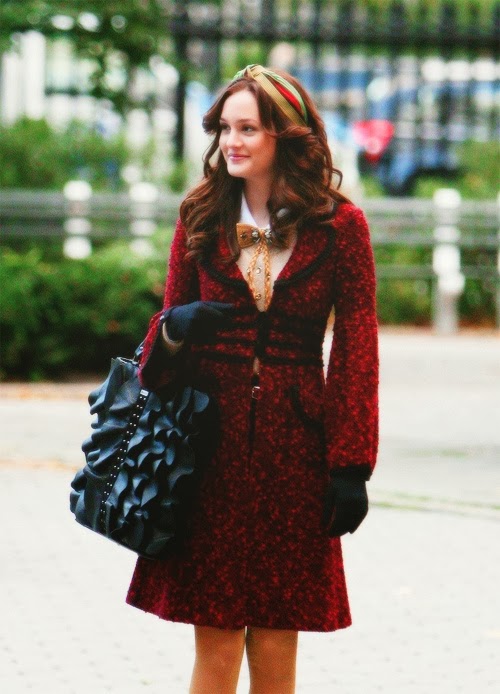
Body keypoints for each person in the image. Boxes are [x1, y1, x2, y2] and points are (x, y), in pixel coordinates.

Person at [126, 64, 378, 694]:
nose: (230, 142)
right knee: (214, 639)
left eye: (248, 129)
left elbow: (357, 349)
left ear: (285, 137)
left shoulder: (341, 227)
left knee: (275, 636)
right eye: (224, 129)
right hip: (206, 451)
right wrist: (176, 326)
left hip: (295, 451)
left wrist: (350, 464)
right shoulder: (200, 216)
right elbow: (156, 361)